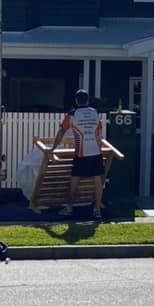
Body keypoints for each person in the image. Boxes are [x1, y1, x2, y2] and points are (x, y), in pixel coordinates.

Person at [50, 89, 104, 219]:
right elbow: (99, 133)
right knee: (98, 181)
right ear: (88, 100)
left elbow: (61, 132)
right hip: (96, 151)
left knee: (74, 181)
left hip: (81, 152)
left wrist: (53, 147)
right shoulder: (95, 113)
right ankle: (97, 210)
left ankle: (69, 208)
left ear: (76, 100)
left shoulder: (72, 114)